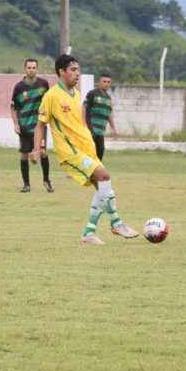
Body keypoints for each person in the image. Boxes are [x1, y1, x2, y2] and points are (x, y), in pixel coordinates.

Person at [31, 54, 137, 245]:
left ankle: (92, 231)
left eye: (78, 70)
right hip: (70, 152)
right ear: (61, 72)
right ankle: (116, 224)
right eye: (73, 70)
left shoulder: (77, 94)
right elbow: (40, 125)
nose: (77, 73)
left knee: (103, 188)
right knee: (104, 177)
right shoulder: (51, 95)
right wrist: (37, 149)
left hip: (86, 148)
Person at [10, 58, 53, 193]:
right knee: (24, 155)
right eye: (29, 67)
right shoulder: (19, 87)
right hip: (24, 126)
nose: (31, 70)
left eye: (34, 67)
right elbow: (13, 107)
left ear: (37, 69)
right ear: (25, 69)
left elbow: (49, 103)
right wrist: (16, 124)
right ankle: (26, 185)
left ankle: (46, 181)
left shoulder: (43, 84)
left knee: (43, 152)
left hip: (39, 125)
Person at [82, 73, 118, 160]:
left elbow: (108, 114)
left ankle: (95, 172)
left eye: (109, 82)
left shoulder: (108, 98)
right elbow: (83, 107)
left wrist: (113, 128)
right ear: (99, 82)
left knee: (100, 152)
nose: (106, 84)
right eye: (104, 81)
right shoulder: (92, 93)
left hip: (100, 132)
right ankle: (86, 172)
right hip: (91, 129)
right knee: (90, 154)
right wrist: (84, 124)